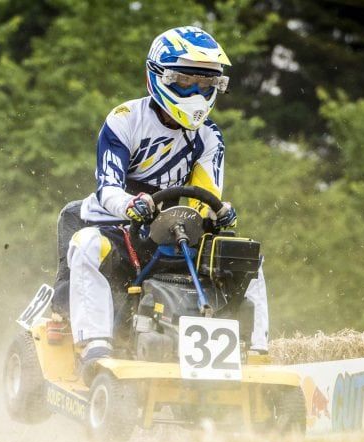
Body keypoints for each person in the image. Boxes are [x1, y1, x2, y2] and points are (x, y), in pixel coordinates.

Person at [58, 26, 270, 371]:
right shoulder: (125, 119)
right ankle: (95, 347)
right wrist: (131, 204)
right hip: (120, 226)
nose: (197, 92)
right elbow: (108, 187)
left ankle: (258, 353)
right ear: (156, 76)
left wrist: (220, 212)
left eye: (206, 85)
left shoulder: (209, 136)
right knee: (85, 244)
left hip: (176, 233)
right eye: (185, 81)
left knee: (248, 256)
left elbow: (205, 197)